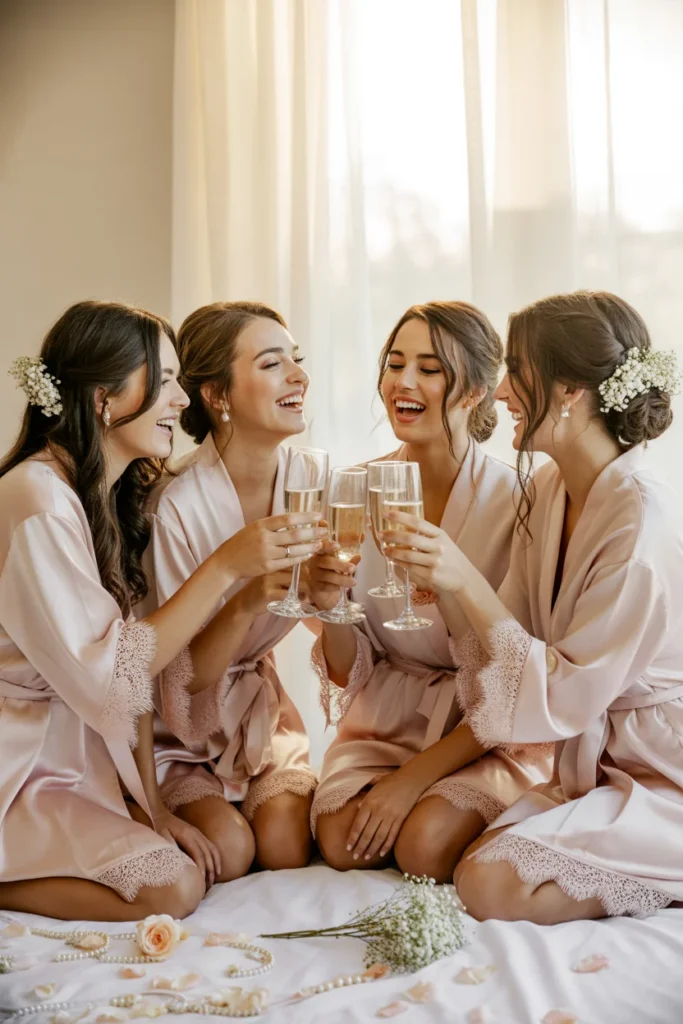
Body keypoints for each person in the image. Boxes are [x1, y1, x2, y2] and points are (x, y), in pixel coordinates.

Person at [0, 301, 320, 920]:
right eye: (166, 380)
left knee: (190, 872)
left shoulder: (102, 497)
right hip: (22, 761)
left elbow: (131, 685)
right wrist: (225, 566)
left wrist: (152, 807)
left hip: (80, 756)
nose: (181, 399)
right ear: (104, 398)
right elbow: (115, 675)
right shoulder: (37, 502)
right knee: (174, 889)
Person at [388, 291, 683, 922]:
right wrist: (447, 587)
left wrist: (463, 578)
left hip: (663, 767)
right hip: (594, 762)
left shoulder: (640, 523)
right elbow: (511, 639)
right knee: (476, 862)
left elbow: (567, 692)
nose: (500, 394)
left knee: (490, 884)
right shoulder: (549, 486)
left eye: (517, 372)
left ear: (570, 389)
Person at [308, 302, 551, 881]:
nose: (404, 382)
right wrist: (331, 608)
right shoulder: (351, 492)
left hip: (487, 731)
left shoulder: (520, 502)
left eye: (430, 369)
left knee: (424, 847)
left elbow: (516, 673)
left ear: (475, 392)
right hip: (387, 721)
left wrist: (411, 781)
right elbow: (348, 670)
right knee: (342, 842)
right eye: (395, 364)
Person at [145, 302, 319, 877]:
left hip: (260, 714)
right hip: (177, 730)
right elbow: (182, 676)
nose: (298, 376)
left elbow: (342, 657)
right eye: (272, 364)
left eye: (296, 360)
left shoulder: (312, 481)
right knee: (231, 851)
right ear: (217, 395)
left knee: (286, 848)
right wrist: (247, 597)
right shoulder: (174, 505)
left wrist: (330, 600)